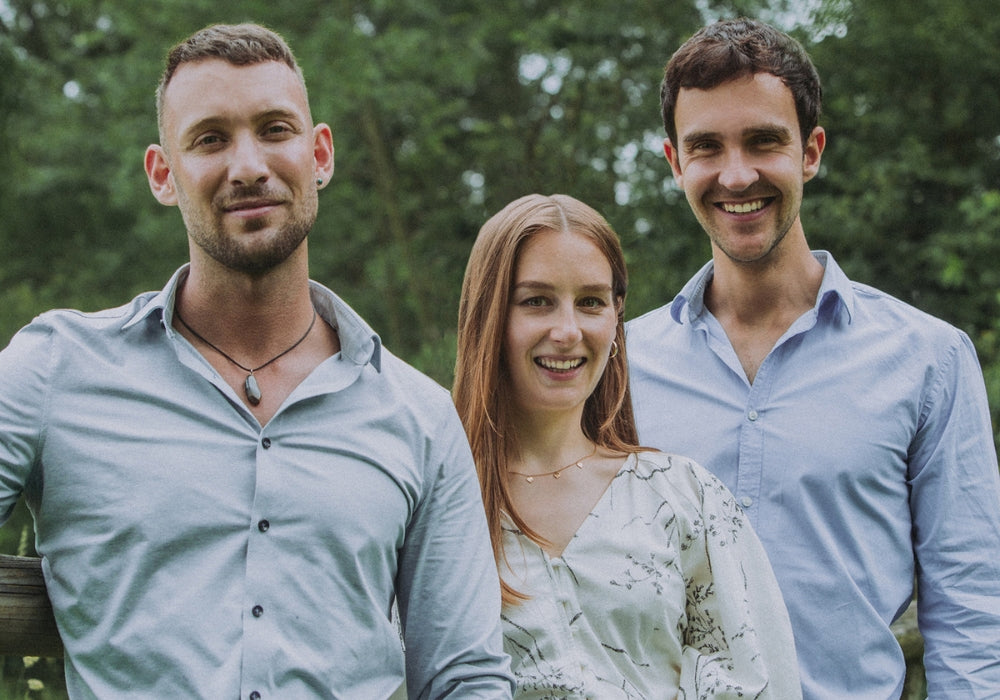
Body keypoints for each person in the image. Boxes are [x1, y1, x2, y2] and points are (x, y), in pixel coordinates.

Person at [0, 23, 513, 699]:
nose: (248, 166)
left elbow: (465, 676)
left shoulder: (417, 416)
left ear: (320, 154)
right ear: (163, 174)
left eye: (275, 129)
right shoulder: (54, 370)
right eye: (210, 138)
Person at [627, 18, 1000, 699]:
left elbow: (973, 608)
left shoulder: (930, 361)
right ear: (675, 164)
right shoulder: (617, 368)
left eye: (763, 141)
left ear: (811, 151)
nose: (737, 174)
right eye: (706, 147)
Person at [453, 192, 801, 699]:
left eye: (591, 302)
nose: (568, 331)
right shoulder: (439, 504)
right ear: (489, 316)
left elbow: (759, 681)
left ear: (616, 318)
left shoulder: (682, 498)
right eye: (536, 301)